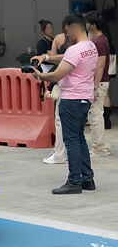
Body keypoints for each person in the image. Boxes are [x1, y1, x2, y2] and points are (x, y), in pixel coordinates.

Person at [32, 15, 97, 195]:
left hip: (71, 100)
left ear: (73, 28)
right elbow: (66, 58)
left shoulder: (75, 50)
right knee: (79, 138)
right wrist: (45, 57)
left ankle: (74, 180)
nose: (66, 36)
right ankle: (87, 178)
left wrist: (39, 75)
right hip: (85, 99)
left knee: (71, 140)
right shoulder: (91, 47)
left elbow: (56, 75)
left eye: (67, 32)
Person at [41, 27, 72, 165]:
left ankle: (59, 154)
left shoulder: (58, 38)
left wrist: (48, 57)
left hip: (62, 82)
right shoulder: (85, 43)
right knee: (75, 125)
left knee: (59, 120)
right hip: (78, 86)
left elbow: (56, 59)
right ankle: (69, 153)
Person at [86, 14, 111, 156]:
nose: (86, 25)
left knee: (96, 115)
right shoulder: (97, 39)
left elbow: (100, 66)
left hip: (99, 82)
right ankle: (98, 146)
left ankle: (99, 148)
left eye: (87, 23)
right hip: (99, 82)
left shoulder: (100, 41)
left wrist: (94, 86)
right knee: (95, 115)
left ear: (93, 25)